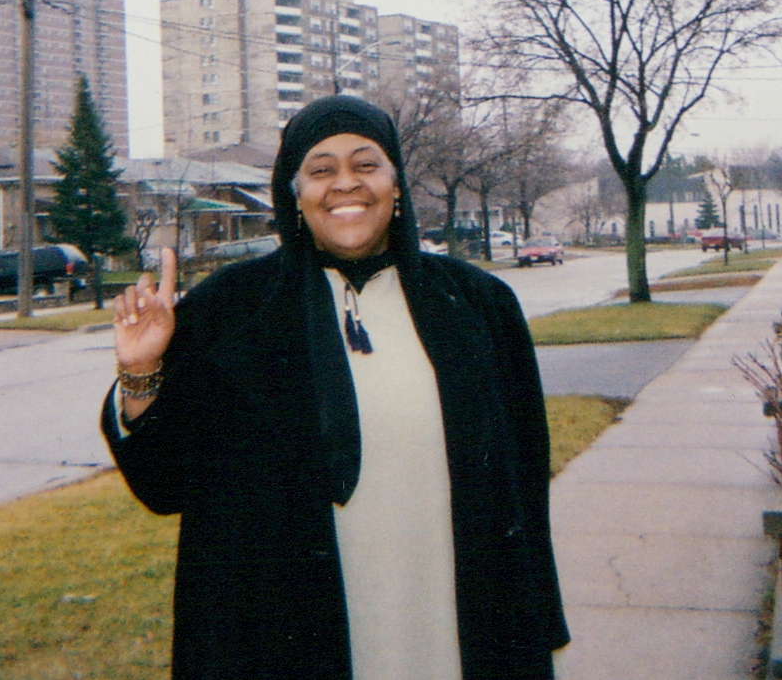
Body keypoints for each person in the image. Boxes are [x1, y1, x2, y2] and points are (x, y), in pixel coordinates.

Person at [104, 95, 568, 679]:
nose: (345, 184)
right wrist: (142, 373)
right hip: (283, 639)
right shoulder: (230, 310)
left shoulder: (478, 305)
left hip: (449, 625)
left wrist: (537, 623)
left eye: (366, 164)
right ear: (294, 194)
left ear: (396, 186)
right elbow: (164, 484)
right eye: (321, 170)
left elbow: (526, 486)